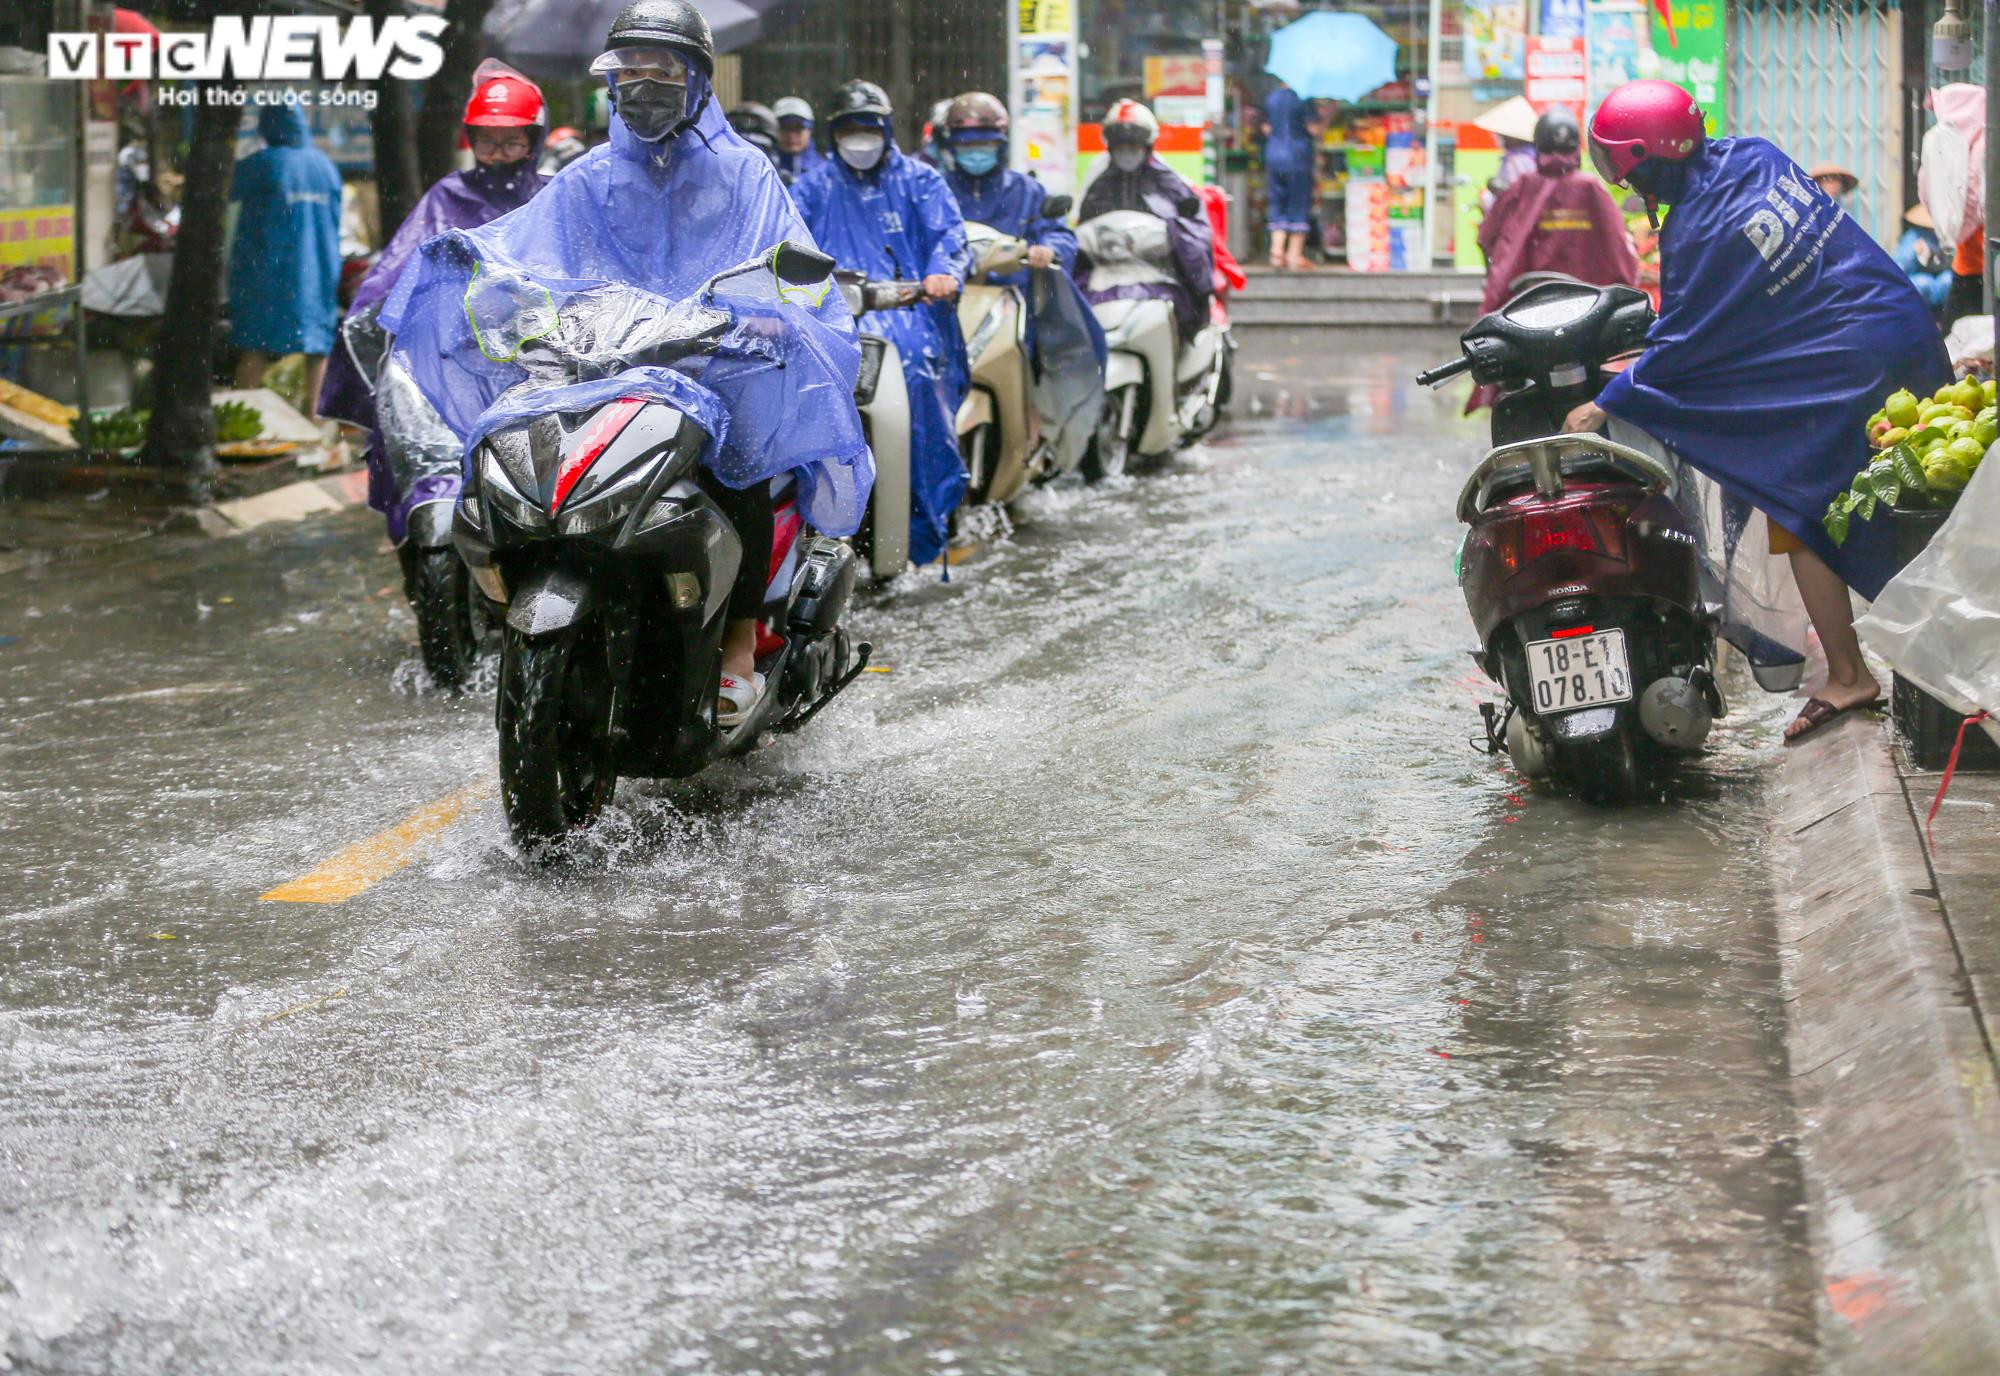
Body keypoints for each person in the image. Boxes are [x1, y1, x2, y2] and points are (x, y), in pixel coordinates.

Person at [381, 0, 868, 728]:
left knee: (736, 471)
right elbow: (528, 249)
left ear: (697, 79)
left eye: (661, 69)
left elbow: (783, 263)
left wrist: (766, 309)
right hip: (604, 369)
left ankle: (737, 648)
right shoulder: (587, 178)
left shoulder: (745, 173)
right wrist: (477, 265)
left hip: (712, 370)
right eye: (629, 69)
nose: (643, 85)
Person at [1562, 79, 1950, 745]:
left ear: (1643, 158)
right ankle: (1932, 654)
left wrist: (1606, 402)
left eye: (1620, 164)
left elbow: (1687, 342)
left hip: (1849, 361)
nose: (1623, 181)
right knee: (1922, 491)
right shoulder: (1753, 154)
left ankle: (1849, 676)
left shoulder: (1696, 226)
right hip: (1896, 325)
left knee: (1797, 505)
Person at [318, 61, 552, 546]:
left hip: (538, 363)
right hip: (453, 361)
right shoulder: (449, 195)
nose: (498, 154)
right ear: (471, 140)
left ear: (534, 141)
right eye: (487, 141)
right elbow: (399, 269)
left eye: (511, 142)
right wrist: (373, 320)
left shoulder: (552, 198)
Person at [791, 79, 970, 566]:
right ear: (833, 135)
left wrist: (942, 273)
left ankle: (924, 526)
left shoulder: (920, 181)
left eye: (869, 128)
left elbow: (949, 236)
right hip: (830, 319)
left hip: (906, 312)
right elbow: (784, 243)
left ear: (887, 130)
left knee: (919, 385)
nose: (860, 139)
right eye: (849, 129)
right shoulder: (812, 187)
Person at [228, 100, 342, 419]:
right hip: (318, 271)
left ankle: (244, 417)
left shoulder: (263, 163)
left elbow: (224, 189)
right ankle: (314, 420)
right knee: (317, 348)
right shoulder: (325, 167)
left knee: (254, 345)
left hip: (268, 270)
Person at [1475, 107, 1638, 316]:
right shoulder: (1591, 188)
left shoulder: (1523, 187)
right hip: (1589, 307)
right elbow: (1620, 250)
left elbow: (1487, 236)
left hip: (1527, 305)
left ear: (1538, 144)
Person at [1078, 98, 1214, 342]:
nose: (1127, 152)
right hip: (1104, 273)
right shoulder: (1098, 181)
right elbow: (1081, 226)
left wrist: (1173, 235)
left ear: (1146, 145)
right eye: (1121, 146)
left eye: (1133, 145)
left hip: (1158, 274)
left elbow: (1195, 235)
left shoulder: (1169, 181)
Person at [940, 92, 1072, 275]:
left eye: (985, 145)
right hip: (950, 286)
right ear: (952, 148)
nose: (976, 154)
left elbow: (1058, 232)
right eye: (966, 146)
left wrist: (1049, 248)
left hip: (1015, 287)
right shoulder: (937, 190)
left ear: (1001, 146)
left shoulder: (1027, 190)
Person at [1261, 79, 1320, 271]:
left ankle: (1276, 251)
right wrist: (1328, 116)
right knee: (1298, 202)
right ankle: (1294, 254)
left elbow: (1266, 128)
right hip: (1297, 156)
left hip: (1274, 155)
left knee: (1277, 201)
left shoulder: (1271, 98)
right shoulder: (1304, 98)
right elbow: (1314, 129)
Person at [1893, 203, 1951, 316]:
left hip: (1942, 287)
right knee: (1922, 283)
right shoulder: (1914, 236)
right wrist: (1915, 251)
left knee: (1947, 280)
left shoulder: (1949, 236)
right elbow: (1900, 266)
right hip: (1918, 283)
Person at [771, 96, 826, 183]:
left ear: (810, 130)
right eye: (785, 128)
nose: (791, 135)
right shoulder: (764, 166)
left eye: (798, 128)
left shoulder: (823, 170)